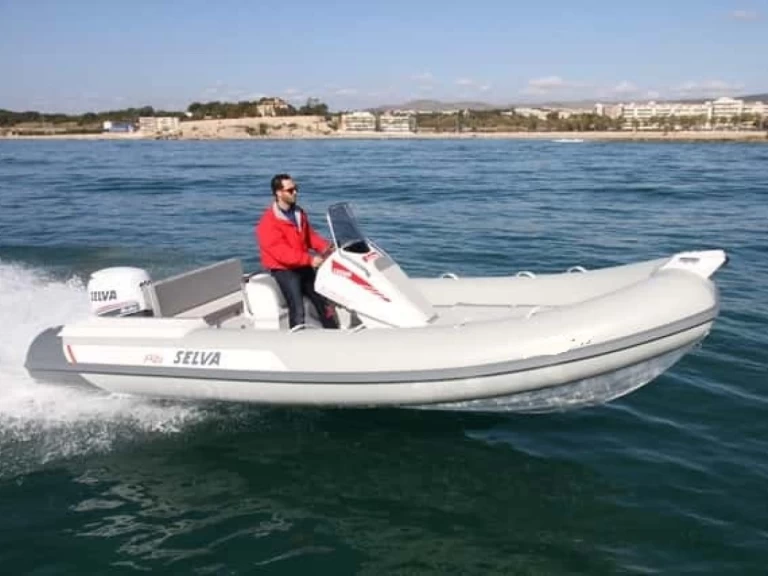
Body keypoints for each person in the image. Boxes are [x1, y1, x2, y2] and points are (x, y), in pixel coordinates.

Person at [255, 173, 338, 329]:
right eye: (290, 190)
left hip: (302, 264)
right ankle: (296, 339)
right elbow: (280, 253)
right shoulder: (268, 222)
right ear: (278, 193)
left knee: (323, 299)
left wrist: (326, 247)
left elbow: (310, 236)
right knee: (297, 307)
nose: (295, 192)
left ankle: (333, 331)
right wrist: (310, 260)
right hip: (284, 269)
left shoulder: (298, 213)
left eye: (296, 188)